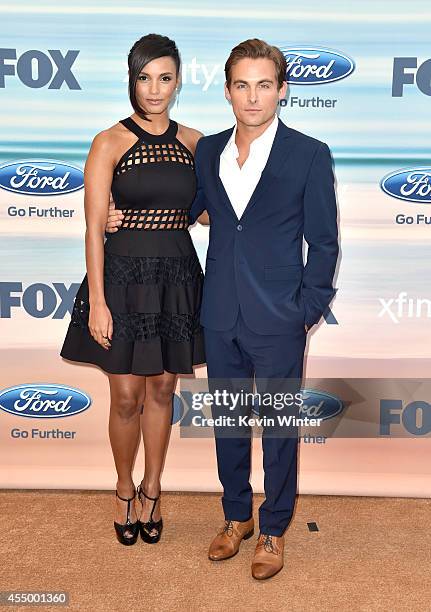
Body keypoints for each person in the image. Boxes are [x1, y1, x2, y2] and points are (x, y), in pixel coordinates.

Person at [106, 38, 339, 577]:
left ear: (282, 90)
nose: (252, 97)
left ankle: (274, 528)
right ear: (228, 91)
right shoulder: (207, 150)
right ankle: (237, 517)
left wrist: (306, 309)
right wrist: (117, 218)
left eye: (264, 85)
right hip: (219, 312)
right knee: (230, 424)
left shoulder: (308, 153)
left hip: (280, 317)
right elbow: (181, 211)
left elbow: (324, 244)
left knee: (278, 429)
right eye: (241, 85)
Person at [60, 33, 206, 546]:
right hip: (122, 281)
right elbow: (94, 225)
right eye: (144, 77)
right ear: (132, 79)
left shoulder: (194, 142)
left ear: (178, 81)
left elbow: (210, 210)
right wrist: (97, 301)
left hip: (176, 276)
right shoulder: (109, 140)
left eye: (164, 77)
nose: (154, 88)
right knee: (125, 396)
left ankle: (153, 486)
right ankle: (123, 487)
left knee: (164, 388)